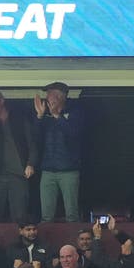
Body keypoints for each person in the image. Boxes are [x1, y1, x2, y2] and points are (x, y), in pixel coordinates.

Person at [0, 89, 37, 222]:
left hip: (18, 174)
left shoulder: (19, 119)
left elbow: (32, 144)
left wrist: (31, 163)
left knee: (20, 218)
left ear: (2, 101)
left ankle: (18, 242)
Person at [34, 82, 83, 222]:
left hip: (69, 170)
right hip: (48, 170)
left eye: (49, 94)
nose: (47, 98)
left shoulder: (75, 112)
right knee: (46, 216)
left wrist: (57, 116)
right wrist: (39, 116)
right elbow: (36, 138)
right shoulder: (46, 115)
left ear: (59, 96)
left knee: (71, 214)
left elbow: (73, 133)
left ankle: (74, 242)